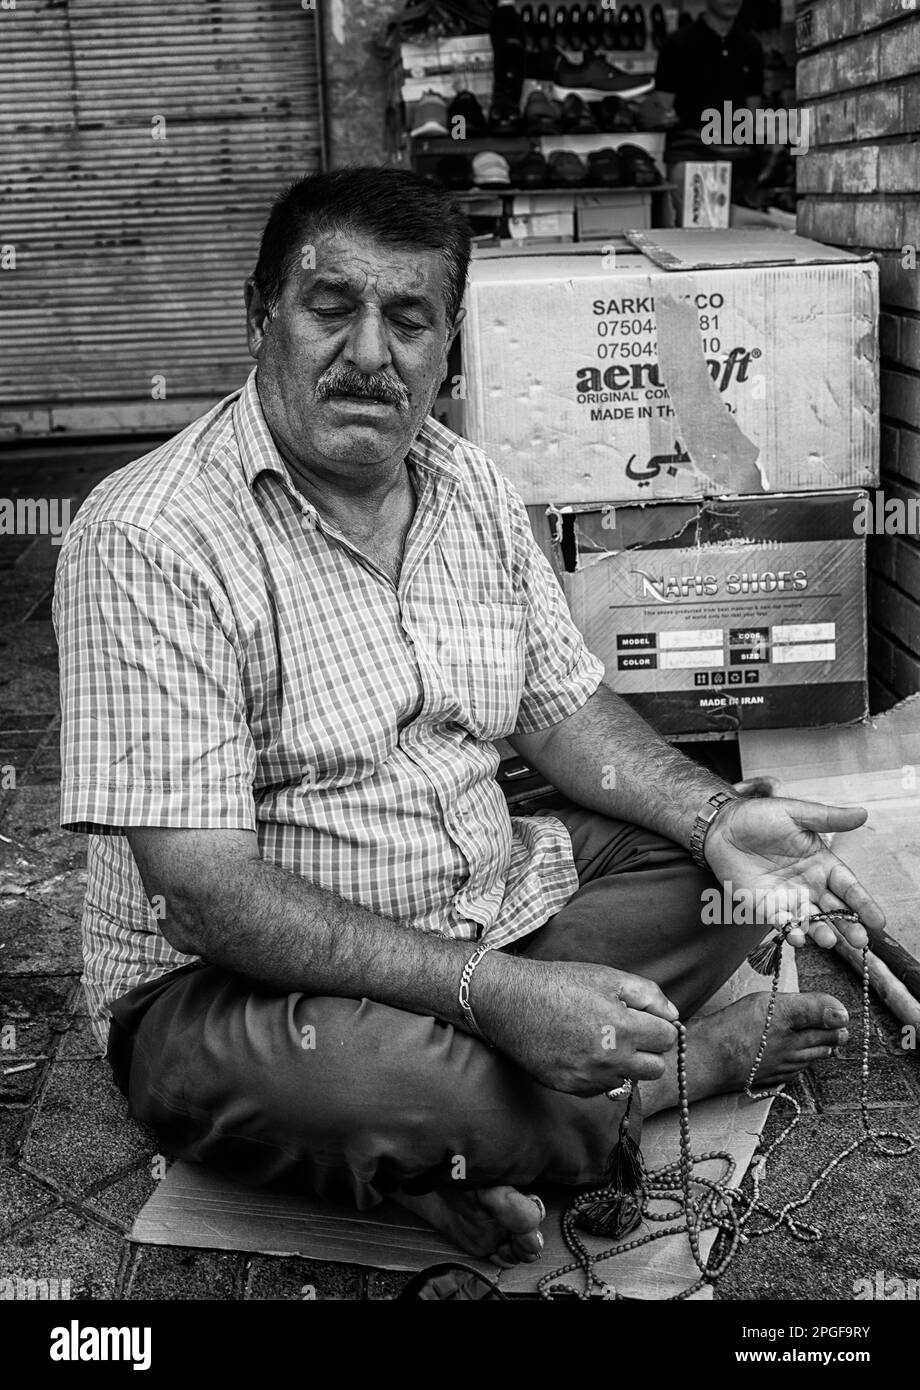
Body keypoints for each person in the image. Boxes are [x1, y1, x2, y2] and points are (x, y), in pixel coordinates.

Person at [53, 166, 876, 1270]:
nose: (367, 354)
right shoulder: (149, 536)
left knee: (725, 878)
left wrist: (716, 811)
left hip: (485, 899)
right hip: (237, 990)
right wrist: (492, 993)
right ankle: (677, 1071)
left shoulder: (472, 485)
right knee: (360, 1079)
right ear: (259, 317)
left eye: (407, 319)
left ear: (447, 352)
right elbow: (201, 897)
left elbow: (564, 710)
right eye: (329, 307)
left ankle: (456, 1143)